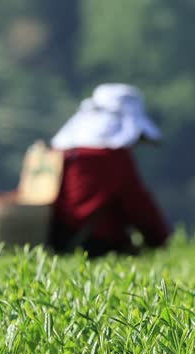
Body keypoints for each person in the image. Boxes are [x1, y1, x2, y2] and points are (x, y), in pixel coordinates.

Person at [47, 83, 172, 258]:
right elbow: (138, 205)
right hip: (94, 243)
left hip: (56, 239)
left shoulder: (63, 150)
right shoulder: (112, 157)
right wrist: (160, 240)